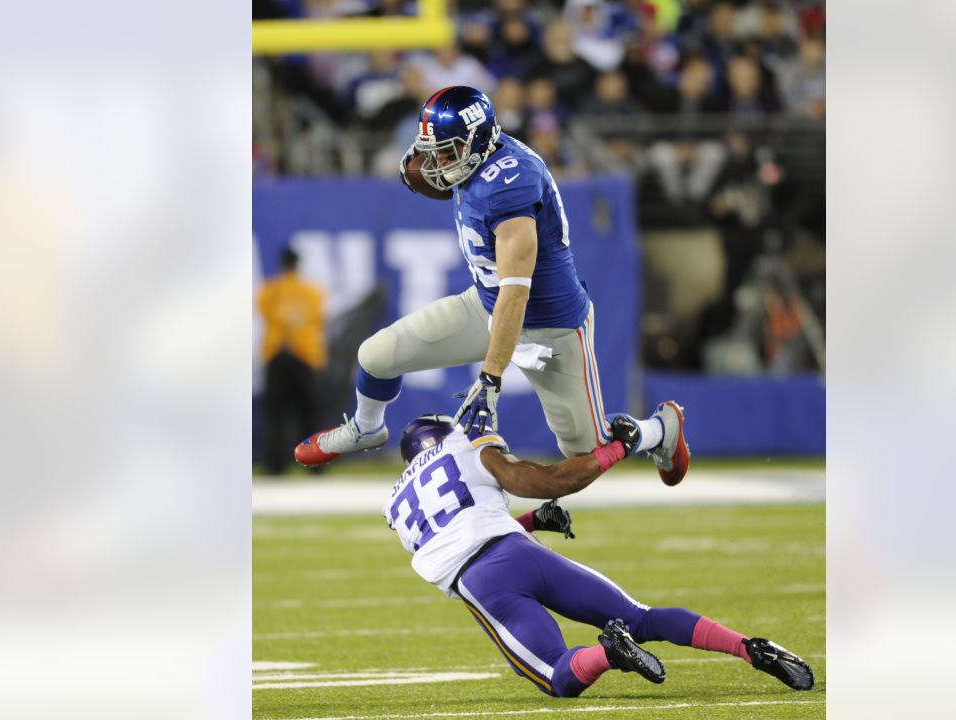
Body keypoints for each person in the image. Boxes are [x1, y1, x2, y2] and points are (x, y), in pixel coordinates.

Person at [295, 85, 688, 486]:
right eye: (434, 150)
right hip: (485, 307)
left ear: (479, 141)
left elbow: (516, 291)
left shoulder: (511, 183)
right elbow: (500, 295)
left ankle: (658, 430)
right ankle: (367, 428)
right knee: (376, 356)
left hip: (551, 326)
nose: (437, 162)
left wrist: (489, 378)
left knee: (586, 454)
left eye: (448, 152)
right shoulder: (478, 158)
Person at [381, 413, 815, 697]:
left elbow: (455, 536)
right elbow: (488, 513)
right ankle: (750, 647)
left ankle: (610, 653)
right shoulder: (465, 445)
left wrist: (532, 520)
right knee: (642, 616)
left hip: (482, 579)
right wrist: (535, 519)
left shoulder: (395, 505)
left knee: (556, 675)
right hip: (522, 553)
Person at [257, 247, 328, 474]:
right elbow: (318, 318)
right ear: (298, 264)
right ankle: (314, 465)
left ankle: (275, 466)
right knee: (309, 415)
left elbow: (264, 313)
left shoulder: (269, 290)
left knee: (275, 415)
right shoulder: (313, 292)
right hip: (304, 356)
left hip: (277, 354)